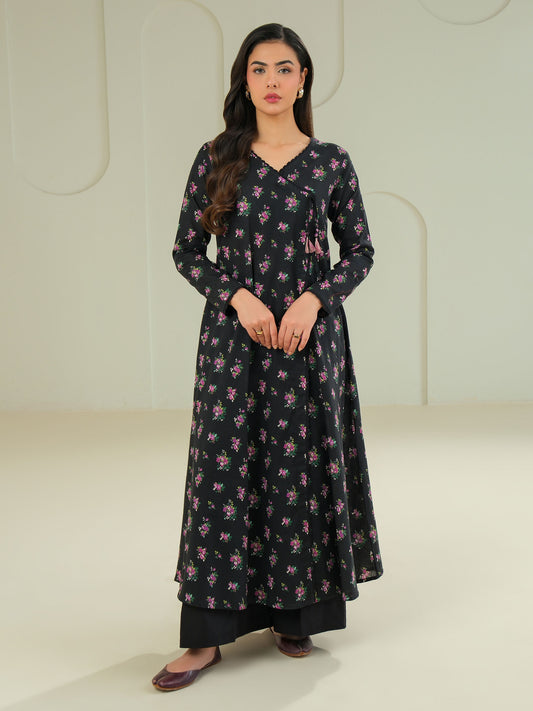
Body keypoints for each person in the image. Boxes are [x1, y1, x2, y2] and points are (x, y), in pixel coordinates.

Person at [152, 22, 383, 692]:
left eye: (285, 68)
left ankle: (296, 613)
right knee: (223, 477)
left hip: (308, 344)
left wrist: (316, 299)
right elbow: (186, 251)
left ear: (303, 80)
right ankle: (205, 638)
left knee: (300, 469)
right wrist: (238, 297)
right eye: (259, 69)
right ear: (244, 81)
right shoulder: (216, 157)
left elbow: (360, 251)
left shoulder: (330, 161)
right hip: (235, 345)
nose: (272, 81)